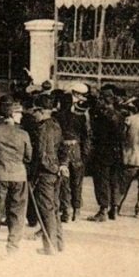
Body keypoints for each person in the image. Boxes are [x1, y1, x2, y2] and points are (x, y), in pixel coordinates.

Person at [0, 98, 31, 255]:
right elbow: (28, 157)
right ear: (13, 114)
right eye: (19, 113)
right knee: (17, 212)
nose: (21, 116)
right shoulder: (23, 134)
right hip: (19, 176)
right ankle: (13, 247)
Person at [30, 95, 67, 255]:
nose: (33, 114)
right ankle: (58, 243)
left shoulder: (42, 128)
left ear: (41, 111)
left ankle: (49, 246)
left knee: (46, 210)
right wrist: (61, 165)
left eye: (35, 111)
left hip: (45, 173)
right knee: (54, 208)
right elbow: (63, 148)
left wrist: (33, 176)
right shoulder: (56, 125)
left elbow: (41, 155)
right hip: (56, 172)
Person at [55, 84, 90, 222]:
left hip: (62, 149)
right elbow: (86, 135)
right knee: (77, 181)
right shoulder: (80, 117)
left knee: (64, 181)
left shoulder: (56, 116)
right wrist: (85, 152)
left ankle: (65, 212)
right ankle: (77, 210)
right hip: (76, 149)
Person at [88, 89, 123, 222]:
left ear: (104, 100)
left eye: (101, 100)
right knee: (114, 181)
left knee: (102, 180)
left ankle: (103, 209)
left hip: (103, 152)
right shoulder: (120, 115)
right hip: (116, 152)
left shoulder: (103, 117)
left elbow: (98, 135)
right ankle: (114, 208)